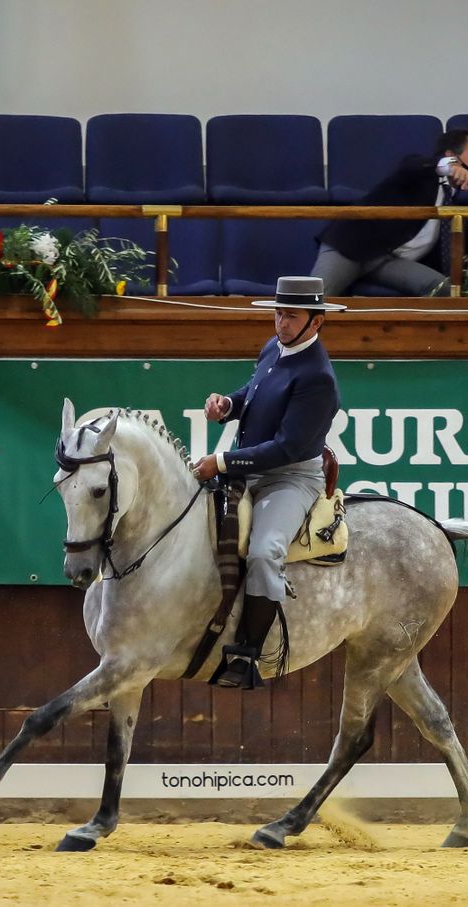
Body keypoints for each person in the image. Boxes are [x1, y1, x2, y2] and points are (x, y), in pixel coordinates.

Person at [191, 276, 345, 688]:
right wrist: (228, 404)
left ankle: (247, 654)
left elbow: (287, 448)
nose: (281, 322)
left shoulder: (318, 378)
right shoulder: (274, 347)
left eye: (291, 316)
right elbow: (255, 393)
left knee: (264, 551)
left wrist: (222, 461)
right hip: (249, 466)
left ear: (316, 322)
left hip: (289, 478)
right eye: (278, 313)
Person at [311, 129, 468, 297]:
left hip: (389, 260)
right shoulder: (421, 173)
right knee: (313, 299)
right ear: (451, 155)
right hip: (352, 246)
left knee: (442, 289)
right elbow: (410, 166)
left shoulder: (454, 204)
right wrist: (447, 166)